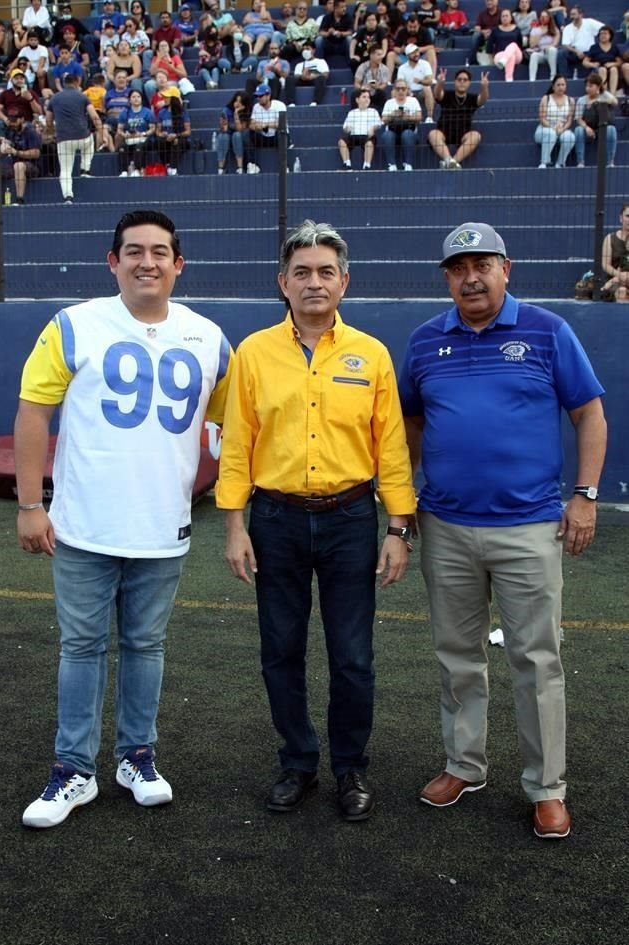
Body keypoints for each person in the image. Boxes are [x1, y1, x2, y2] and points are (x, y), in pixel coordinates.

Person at [16, 209, 233, 829]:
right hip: (84, 523)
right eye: (133, 251)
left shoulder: (210, 338)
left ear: (178, 264)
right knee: (82, 647)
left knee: (146, 646)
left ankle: (136, 755)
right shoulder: (75, 326)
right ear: (113, 262)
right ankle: (73, 770)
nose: (147, 262)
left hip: (162, 524)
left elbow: (227, 428)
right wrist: (32, 504)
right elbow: (34, 413)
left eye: (160, 251)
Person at [399, 221, 606, 840]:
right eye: (459, 267)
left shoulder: (548, 331)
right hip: (447, 528)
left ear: (505, 269)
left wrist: (586, 496)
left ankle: (546, 788)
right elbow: (409, 426)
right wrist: (405, 503)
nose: (471, 276)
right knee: (457, 656)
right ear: (447, 278)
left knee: (537, 660)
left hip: (529, 528)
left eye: (482, 264)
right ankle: (464, 764)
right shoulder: (425, 341)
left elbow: (589, 415)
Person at [216, 219, 416, 822]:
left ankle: (351, 768)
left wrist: (399, 529)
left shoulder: (371, 355)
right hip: (275, 518)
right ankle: (298, 763)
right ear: (283, 282)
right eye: (301, 272)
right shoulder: (253, 352)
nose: (314, 282)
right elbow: (237, 445)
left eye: (325, 271)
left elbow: (392, 449)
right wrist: (233, 525)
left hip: (351, 519)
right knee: (280, 649)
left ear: (344, 282)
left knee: (352, 654)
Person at [45, 72, 102, 204]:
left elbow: (48, 120)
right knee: (89, 142)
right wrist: (101, 133)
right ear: (77, 83)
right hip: (82, 135)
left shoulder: (54, 98)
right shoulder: (82, 96)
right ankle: (85, 169)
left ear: (64, 83)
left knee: (65, 170)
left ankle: (68, 197)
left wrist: (52, 132)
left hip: (64, 138)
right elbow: (94, 116)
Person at [428, 67, 489, 169]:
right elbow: (438, 95)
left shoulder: (472, 98)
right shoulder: (447, 95)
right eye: (459, 79)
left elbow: (482, 100)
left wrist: (484, 87)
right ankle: (448, 160)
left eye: (465, 80)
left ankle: (453, 162)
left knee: (476, 136)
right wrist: (440, 83)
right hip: (443, 131)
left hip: (463, 133)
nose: (462, 82)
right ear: (455, 82)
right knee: (433, 134)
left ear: (469, 83)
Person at [574, 72, 617, 168]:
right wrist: (586, 128)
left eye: (591, 86)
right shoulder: (581, 100)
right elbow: (578, 118)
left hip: (602, 128)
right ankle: (580, 162)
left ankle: (610, 162)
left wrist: (603, 93)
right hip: (589, 129)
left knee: (611, 130)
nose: (587, 89)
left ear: (598, 87)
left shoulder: (604, 97)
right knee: (578, 130)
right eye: (586, 86)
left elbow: (615, 102)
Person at [0, 107, 41, 205]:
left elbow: (36, 153)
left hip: (31, 166)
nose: (12, 123)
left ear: (22, 119)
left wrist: (16, 152)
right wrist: (3, 148)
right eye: (10, 120)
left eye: (15, 121)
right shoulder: (9, 131)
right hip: (11, 164)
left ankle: (19, 199)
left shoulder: (30, 132)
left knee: (18, 166)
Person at [534, 74, 575, 167]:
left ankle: (560, 162)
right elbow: (542, 118)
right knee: (550, 134)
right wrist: (553, 128)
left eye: (563, 84)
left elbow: (569, 121)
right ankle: (544, 162)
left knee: (570, 137)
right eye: (558, 85)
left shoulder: (571, 100)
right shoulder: (546, 98)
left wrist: (563, 129)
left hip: (562, 128)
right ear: (553, 86)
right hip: (545, 128)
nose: (561, 87)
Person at [381, 78, 421, 171]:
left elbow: (419, 117)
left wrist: (407, 117)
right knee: (387, 135)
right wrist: (393, 115)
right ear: (394, 90)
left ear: (407, 90)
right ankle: (391, 165)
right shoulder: (389, 103)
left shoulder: (413, 101)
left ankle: (408, 164)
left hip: (409, 131)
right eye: (398, 89)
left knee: (407, 134)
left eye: (403, 89)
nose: (401, 91)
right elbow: (383, 119)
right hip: (393, 131)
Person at [338, 87, 382, 168]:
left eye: (368, 97)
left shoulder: (373, 111)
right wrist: (347, 129)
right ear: (357, 100)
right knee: (342, 142)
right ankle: (347, 163)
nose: (367, 99)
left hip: (367, 136)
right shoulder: (352, 113)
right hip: (354, 136)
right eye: (364, 97)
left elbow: (379, 124)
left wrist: (373, 128)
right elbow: (345, 127)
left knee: (369, 143)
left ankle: (367, 165)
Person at [117, 88, 155, 176]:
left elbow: (153, 129)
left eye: (138, 96)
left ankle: (137, 169)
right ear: (129, 100)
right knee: (122, 148)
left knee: (139, 147)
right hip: (129, 138)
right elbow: (119, 129)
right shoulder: (124, 113)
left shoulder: (148, 112)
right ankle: (124, 171)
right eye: (133, 97)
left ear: (141, 99)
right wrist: (125, 135)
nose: (136, 98)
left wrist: (143, 133)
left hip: (143, 138)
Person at [557, 5, 603, 78]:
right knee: (561, 53)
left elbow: (604, 29)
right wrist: (576, 51)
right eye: (571, 14)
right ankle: (565, 77)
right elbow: (565, 45)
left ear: (581, 14)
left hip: (589, 52)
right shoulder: (567, 28)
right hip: (575, 53)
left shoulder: (590, 22)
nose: (571, 16)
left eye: (574, 14)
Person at [155, 88, 191, 175]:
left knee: (177, 143)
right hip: (166, 138)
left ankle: (173, 168)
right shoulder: (162, 112)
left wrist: (176, 135)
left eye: (167, 97)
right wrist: (162, 134)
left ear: (173, 99)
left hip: (181, 139)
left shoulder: (183, 112)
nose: (164, 98)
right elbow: (157, 131)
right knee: (159, 142)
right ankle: (166, 165)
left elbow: (188, 131)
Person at [284, 40, 329, 107]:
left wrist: (311, 76)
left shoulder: (321, 61)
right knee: (289, 79)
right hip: (302, 80)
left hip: (315, 79)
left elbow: (326, 75)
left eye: (307, 49)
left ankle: (315, 102)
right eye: (304, 49)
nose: (305, 51)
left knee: (321, 78)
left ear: (313, 50)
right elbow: (296, 75)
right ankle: (291, 103)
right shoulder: (299, 64)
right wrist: (303, 76)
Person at [397, 43, 435, 122]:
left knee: (427, 88)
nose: (416, 54)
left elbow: (430, 80)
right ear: (407, 56)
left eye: (417, 52)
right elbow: (400, 83)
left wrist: (421, 81)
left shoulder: (425, 64)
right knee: (397, 91)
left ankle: (429, 117)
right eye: (413, 53)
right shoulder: (402, 68)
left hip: (421, 91)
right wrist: (407, 90)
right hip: (408, 92)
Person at [216, 90, 251, 174]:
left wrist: (236, 113)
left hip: (240, 137)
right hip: (227, 134)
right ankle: (220, 168)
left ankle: (240, 168)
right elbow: (223, 128)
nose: (237, 104)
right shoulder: (226, 110)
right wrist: (224, 125)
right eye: (236, 100)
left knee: (237, 135)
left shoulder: (246, 113)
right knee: (222, 137)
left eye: (240, 102)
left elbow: (239, 128)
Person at [582, 25, 623, 96]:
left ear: (610, 35)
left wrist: (612, 64)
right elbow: (585, 62)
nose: (603, 35)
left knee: (614, 69)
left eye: (605, 33)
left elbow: (620, 62)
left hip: (611, 69)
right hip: (598, 69)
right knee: (602, 70)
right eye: (601, 34)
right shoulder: (594, 47)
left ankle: (612, 94)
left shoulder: (614, 47)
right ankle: (603, 93)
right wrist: (593, 64)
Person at [601, 203, 629, 302]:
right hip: (616, 281)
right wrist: (619, 276)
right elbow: (605, 265)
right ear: (621, 218)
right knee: (622, 291)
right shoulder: (610, 239)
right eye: (627, 216)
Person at [486, 9, 524, 81]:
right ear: (500, 18)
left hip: (517, 56)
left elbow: (520, 46)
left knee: (513, 45)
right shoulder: (495, 30)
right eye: (503, 16)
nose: (505, 18)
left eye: (507, 16)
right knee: (510, 56)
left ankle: (504, 60)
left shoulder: (517, 30)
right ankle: (509, 78)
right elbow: (489, 47)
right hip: (499, 56)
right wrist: (491, 61)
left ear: (511, 18)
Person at [528, 9, 560, 81]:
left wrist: (548, 47)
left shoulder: (555, 29)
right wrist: (542, 34)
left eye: (545, 16)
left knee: (552, 49)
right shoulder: (535, 30)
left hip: (551, 53)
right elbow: (532, 45)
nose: (543, 18)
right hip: (541, 52)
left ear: (549, 18)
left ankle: (553, 75)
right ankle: (532, 79)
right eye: (542, 16)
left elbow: (555, 43)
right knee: (534, 55)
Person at [469, 0, 501, 65]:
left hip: (497, 35)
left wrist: (492, 32)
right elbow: (477, 28)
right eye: (487, 1)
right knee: (476, 35)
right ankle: (473, 61)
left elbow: (505, 26)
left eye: (491, 0)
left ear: (496, 1)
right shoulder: (482, 14)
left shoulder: (502, 13)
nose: (489, 2)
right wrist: (483, 32)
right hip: (484, 36)